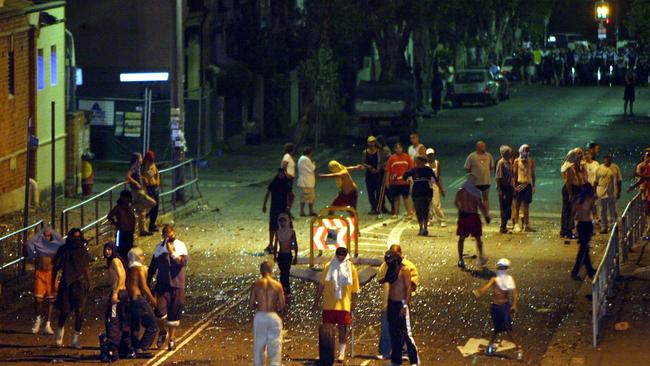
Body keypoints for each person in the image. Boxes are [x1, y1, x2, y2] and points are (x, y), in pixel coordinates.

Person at [313, 247, 360, 362]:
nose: (340, 259)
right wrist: (316, 301)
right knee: (327, 331)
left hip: (344, 305)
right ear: (336, 255)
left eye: (343, 257)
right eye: (339, 256)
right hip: (329, 304)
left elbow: (355, 288)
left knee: (342, 329)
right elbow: (321, 284)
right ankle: (326, 352)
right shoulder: (328, 266)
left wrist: (353, 302)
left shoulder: (351, 269)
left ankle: (342, 353)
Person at [472, 258, 522, 359]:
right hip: (495, 307)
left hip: (504, 307)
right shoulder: (495, 279)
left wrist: (514, 305)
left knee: (508, 329)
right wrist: (478, 292)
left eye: (503, 268)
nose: (501, 270)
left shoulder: (509, 280)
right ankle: (489, 347)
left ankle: (519, 348)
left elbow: (515, 292)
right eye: (501, 268)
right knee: (497, 328)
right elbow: (486, 287)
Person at [148, 225, 188, 351]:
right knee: (159, 311)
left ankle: (171, 339)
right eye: (166, 233)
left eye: (171, 232)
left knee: (173, 314)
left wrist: (172, 252)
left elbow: (182, 262)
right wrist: (147, 284)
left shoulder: (181, 246)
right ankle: (162, 332)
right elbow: (152, 268)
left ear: (174, 233)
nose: (169, 235)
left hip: (177, 285)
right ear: (163, 235)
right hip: (162, 285)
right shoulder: (159, 249)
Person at [376, 244, 419, 361]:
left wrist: (405, 303)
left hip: (401, 301)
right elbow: (380, 278)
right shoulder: (387, 265)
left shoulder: (407, 267)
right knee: (389, 327)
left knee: (404, 330)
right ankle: (387, 352)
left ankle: (408, 354)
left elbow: (412, 285)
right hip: (389, 301)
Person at [52, 228, 92, 348]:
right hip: (66, 284)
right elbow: (55, 268)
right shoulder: (63, 250)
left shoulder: (82, 250)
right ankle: (59, 334)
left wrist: (90, 282)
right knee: (64, 311)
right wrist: (52, 285)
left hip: (79, 284)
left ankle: (75, 340)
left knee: (79, 312)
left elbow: (85, 267)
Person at [24, 226, 64, 335]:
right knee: (38, 300)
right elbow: (28, 248)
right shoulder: (38, 245)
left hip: (51, 274)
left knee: (51, 300)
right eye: (45, 235)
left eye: (49, 235)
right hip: (40, 273)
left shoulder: (55, 247)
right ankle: (38, 320)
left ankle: (48, 324)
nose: (47, 237)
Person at [103, 242, 134, 360]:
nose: (107, 252)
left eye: (110, 249)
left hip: (119, 294)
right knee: (123, 321)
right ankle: (126, 349)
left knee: (113, 321)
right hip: (123, 294)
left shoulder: (115, 261)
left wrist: (115, 293)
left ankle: (113, 351)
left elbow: (122, 276)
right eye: (106, 249)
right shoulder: (116, 260)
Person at [250, 261, 285, 366]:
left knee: (259, 347)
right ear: (271, 270)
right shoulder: (277, 285)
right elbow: (282, 305)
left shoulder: (256, 284)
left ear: (261, 271)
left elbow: (251, 304)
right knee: (275, 347)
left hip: (260, 316)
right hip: (273, 316)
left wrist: (259, 305)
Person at [127, 247, 158, 353]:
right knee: (152, 324)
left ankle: (135, 347)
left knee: (135, 325)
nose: (143, 257)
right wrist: (153, 299)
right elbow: (144, 287)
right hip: (138, 299)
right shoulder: (139, 269)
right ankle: (142, 347)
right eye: (141, 255)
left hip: (131, 300)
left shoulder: (129, 269)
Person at [455, 176, 490, 269]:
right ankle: (481, 256)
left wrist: (460, 208)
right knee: (478, 238)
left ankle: (460, 259)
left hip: (463, 216)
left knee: (461, 238)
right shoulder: (475, 192)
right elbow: (480, 205)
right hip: (473, 216)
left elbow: (456, 202)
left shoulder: (461, 190)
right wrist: (486, 215)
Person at [404, 155, 442, 236]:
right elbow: (405, 175)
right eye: (417, 162)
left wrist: (441, 189)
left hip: (426, 193)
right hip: (417, 193)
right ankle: (421, 228)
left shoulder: (428, 170)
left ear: (424, 162)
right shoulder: (413, 170)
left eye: (419, 162)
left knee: (425, 210)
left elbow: (435, 179)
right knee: (419, 211)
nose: (418, 163)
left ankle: (425, 228)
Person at [571, 184, 597, 281]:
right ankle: (575, 271)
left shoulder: (577, 200)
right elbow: (594, 213)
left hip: (580, 225)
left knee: (584, 248)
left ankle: (590, 269)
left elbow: (573, 214)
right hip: (587, 224)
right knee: (583, 249)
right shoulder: (591, 199)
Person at [126, 152, 155, 236]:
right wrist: (136, 183)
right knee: (152, 203)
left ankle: (143, 230)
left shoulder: (138, 168)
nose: (142, 160)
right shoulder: (134, 167)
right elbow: (127, 176)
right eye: (140, 158)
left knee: (142, 211)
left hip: (140, 190)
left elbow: (137, 176)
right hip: (136, 191)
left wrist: (143, 178)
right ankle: (132, 207)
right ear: (137, 160)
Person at [262, 169, 291, 253]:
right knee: (272, 227)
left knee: (280, 227)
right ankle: (271, 244)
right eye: (280, 174)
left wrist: (288, 206)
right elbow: (267, 194)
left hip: (282, 208)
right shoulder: (274, 183)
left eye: (282, 174)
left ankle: (277, 245)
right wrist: (264, 205)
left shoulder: (286, 184)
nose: (281, 175)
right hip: (274, 208)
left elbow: (290, 195)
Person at [560, 148, 585, 239]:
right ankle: (567, 231)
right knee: (569, 211)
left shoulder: (573, 165)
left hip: (573, 188)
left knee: (569, 211)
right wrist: (570, 193)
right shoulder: (569, 167)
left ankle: (566, 230)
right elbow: (568, 182)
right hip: (570, 189)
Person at [464, 141, 495, 212]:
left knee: (486, 198)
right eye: (482, 146)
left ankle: (486, 214)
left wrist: (484, 172)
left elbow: (491, 167)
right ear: (478, 147)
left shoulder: (488, 155)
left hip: (486, 181)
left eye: (484, 146)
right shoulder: (472, 156)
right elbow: (466, 167)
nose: (484, 148)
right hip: (475, 182)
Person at [386, 143, 414, 218]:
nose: (398, 149)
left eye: (400, 148)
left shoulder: (407, 157)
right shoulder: (391, 158)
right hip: (395, 182)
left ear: (402, 148)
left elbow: (411, 169)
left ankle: (409, 213)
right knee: (396, 198)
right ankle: (396, 213)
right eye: (397, 148)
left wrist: (411, 179)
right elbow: (388, 171)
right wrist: (387, 182)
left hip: (405, 182)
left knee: (406, 197)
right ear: (394, 149)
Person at [595, 155, 622, 233]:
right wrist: (594, 192)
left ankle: (614, 226)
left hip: (612, 191)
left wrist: (619, 192)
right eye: (606, 159)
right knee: (602, 210)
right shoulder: (599, 168)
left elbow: (619, 181)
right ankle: (604, 227)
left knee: (613, 209)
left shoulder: (615, 167)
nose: (608, 161)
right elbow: (595, 181)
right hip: (601, 191)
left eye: (609, 159)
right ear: (604, 160)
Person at [272, 213, 297, 298]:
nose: (282, 223)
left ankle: (285, 290)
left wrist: (296, 255)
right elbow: (276, 245)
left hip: (287, 255)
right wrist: (275, 256)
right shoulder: (278, 232)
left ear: (287, 221)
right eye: (280, 221)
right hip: (281, 255)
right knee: (283, 273)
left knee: (285, 273)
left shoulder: (291, 232)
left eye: (284, 221)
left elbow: (295, 244)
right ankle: (285, 290)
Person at [513, 144, 537, 232]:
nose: (526, 152)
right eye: (525, 150)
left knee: (526, 207)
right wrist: (514, 187)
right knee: (517, 205)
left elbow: (533, 174)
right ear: (521, 151)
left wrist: (534, 185)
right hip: (519, 185)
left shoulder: (531, 161)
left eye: (528, 150)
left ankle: (526, 225)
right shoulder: (517, 161)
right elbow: (514, 175)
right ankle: (516, 224)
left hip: (527, 185)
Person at [108, 190, 137, 260]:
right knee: (119, 248)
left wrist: (133, 228)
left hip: (129, 231)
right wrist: (116, 224)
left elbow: (133, 218)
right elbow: (109, 216)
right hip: (121, 231)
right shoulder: (118, 207)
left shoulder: (130, 207)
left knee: (129, 247)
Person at [362, 136, 384, 214]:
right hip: (369, 174)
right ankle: (373, 207)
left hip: (377, 174)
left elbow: (380, 161)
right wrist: (369, 167)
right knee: (370, 192)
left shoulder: (378, 151)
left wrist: (377, 170)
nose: (372, 144)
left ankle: (378, 207)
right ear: (368, 143)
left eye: (373, 142)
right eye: (370, 142)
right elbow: (363, 162)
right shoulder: (365, 152)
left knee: (378, 191)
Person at [495, 146, 514, 234]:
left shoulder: (509, 162)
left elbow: (512, 176)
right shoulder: (501, 163)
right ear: (505, 153)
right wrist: (499, 189)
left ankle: (505, 225)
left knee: (508, 207)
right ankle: (503, 227)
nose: (511, 154)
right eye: (509, 152)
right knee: (504, 207)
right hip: (503, 187)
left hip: (509, 187)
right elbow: (498, 177)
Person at [426, 148, 446, 227]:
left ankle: (441, 219)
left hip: (435, 184)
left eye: (432, 155)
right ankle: (430, 219)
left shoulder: (437, 163)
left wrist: (441, 187)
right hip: (427, 185)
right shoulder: (425, 164)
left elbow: (438, 176)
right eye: (429, 155)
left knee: (436, 203)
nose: (430, 156)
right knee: (428, 204)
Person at [142, 150, 161, 233]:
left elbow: (157, 173)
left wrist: (157, 181)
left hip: (154, 187)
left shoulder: (153, 165)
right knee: (151, 206)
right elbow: (141, 175)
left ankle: (152, 225)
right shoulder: (143, 166)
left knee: (155, 207)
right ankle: (145, 223)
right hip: (148, 188)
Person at [296, 146, 317, 217]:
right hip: (307, 182)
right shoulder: (306, 159)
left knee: (305, 198)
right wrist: (313, 163)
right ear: (310, 153)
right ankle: (307, 212)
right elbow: (313, 168)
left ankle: (304, 212)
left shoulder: (301, 158)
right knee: (309, 197)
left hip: (305, 181)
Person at [281, 143, 296, 214]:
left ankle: (287, 211)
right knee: (289, 195)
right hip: (287, 178)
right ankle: (286, 211)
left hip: (290, 178)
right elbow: (284, 165)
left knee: (289, 195)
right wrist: (286, 175)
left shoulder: (289, 156)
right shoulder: (287, 156)